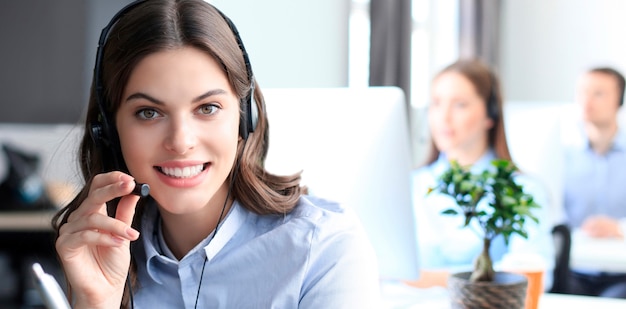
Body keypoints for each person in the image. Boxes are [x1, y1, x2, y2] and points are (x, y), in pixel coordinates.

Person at [51, 1, 380, 308]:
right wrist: (96, 303)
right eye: (149, 112)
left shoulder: (323, 248)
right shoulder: (100, 253)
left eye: (207, 108)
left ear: (244, 118)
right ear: (108, 130)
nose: (181, 142)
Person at [409, 59, 554, 288]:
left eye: (460, 105)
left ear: (490, 114)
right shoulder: (411, 185)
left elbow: (531, 274)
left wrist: (431, 280)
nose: (444, 117)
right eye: (436, 103)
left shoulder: (522, 190)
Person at [562, 67, 626, 298]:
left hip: (621, 272)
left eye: (598, 93)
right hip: (571, 270)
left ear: (618, 99)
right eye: (582, 92)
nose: (587, 101)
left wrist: (618, 228)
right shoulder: (561, 154)